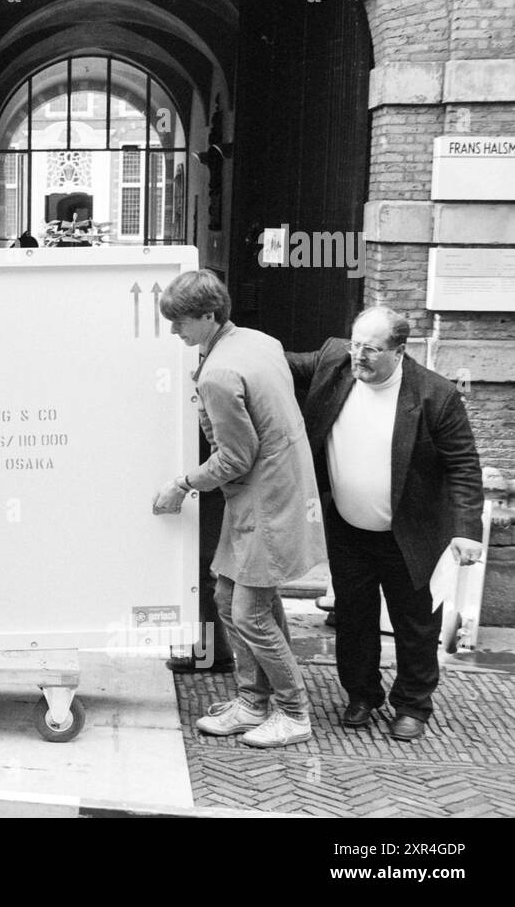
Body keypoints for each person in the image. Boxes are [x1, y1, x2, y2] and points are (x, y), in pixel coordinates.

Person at [285, 306, 484, 740]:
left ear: (399, 351)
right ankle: (361, 695)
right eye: (355, 344)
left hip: (411, 534)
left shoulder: (435, 395)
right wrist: (225, 341)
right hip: (347, 528)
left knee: (415, 624)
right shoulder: (334, 360)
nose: (358, 357)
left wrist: (467, 528)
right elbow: (275, 361)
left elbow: (464, 466)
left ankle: (412, 704)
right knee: (353, 619)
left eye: (371, 350)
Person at [152, 270, 326, 748]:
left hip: (264, 504)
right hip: (271, 494)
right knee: (235, 600)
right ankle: (252, 702)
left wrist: (181, 485)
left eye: (180, 322)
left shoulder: (220, 374)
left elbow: (235, 456)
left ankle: (293, 712)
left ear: (209, 316)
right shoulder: (257, 341)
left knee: (248, 613)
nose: (175, 332)